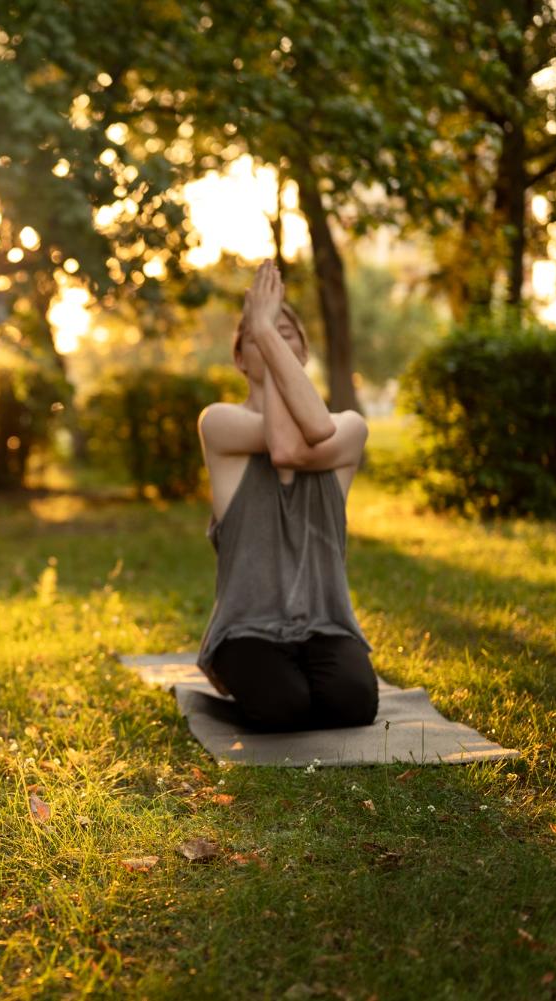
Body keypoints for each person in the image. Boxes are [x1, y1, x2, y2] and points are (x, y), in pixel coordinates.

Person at [194, 260, 378, 732]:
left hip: (325, 623)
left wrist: (263, 329)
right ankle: (244, 674)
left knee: (353, 706)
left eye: (285, 332)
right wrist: (274, 346)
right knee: (283, 710)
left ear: (305, 351)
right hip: (247, 628)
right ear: (239, 357)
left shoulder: (351, 427)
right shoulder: (218, 424)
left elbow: (301, 440)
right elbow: (282, 447)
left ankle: (299, 673)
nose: (273, 339)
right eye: (258, 334)